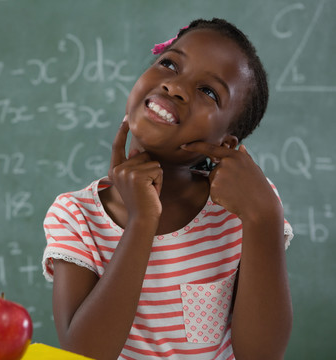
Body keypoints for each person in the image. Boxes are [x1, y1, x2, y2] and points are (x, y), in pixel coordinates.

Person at [42, 18, 293, 360]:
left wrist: (265, 217)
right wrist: (142, 221)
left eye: (209, 92)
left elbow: (261, 355)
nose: (175, 87)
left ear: (226, 142)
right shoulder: (76, 216)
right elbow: (85, 353)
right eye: (170, 64)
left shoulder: (246, 212)